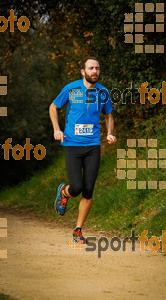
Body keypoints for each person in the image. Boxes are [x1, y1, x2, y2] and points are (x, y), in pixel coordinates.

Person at [49, 57, 116, 244]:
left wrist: (110, 133)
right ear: (83, 71)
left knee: (88, 190)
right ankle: (64, 192)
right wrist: (56, 129)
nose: (95, 71)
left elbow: (109, 115)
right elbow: (53, 107)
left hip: (93, 145)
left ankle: (78, 230)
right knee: (76, 187)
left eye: (97, 68)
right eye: (91, 68)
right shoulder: (71, 89)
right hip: (72, 144)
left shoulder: (103, 92)